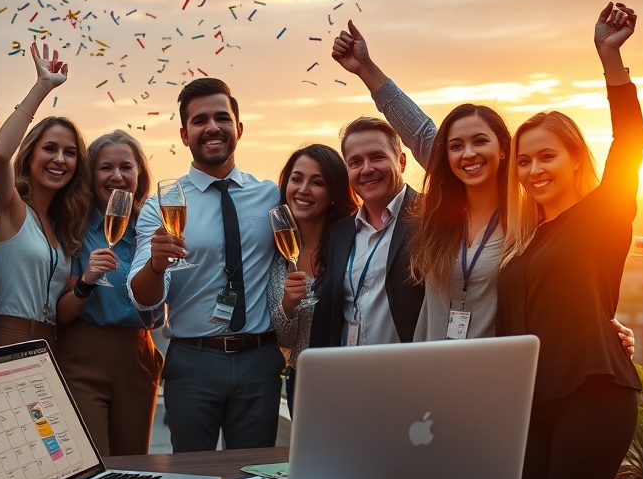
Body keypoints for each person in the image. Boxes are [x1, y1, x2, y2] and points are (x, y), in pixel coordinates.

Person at [331, 20, 637, 349]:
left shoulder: (531, 219)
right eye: (456, 146)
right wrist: (366, 69)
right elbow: (418, 130)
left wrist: (601, 327)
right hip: (428, 369)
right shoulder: (441, 214)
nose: (469, 154)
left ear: (504, 148)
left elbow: (572, 273)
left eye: (481, 141)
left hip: (496, 375)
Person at [496, 1, 643, 479]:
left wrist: (610, 59)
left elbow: (629, 143)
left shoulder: (601, 215)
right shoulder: (526, 237)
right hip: (532, 403)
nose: (533, 169)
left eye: (547, 156)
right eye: (524, 160)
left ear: (576, 157)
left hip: (592, 395)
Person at [129, 78, 284, 453]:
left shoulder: (272, 196)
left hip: (260, 359)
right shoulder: (161, 206)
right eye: (200, 121)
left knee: (253, 472)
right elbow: (142, 298)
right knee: (192, 476)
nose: (212, 127)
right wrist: (155, 265)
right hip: (193, 361)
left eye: (222, 118)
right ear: (185, 135)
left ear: (239, 128)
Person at [55, 130, 164, 456]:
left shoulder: (153, 226)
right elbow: (62, 312)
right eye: (105, 167)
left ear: (139, 175)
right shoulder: (73, 225)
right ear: (90, 175)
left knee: (134, 466)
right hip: (84, 356)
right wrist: (87, 279)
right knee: (94, 467)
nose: (117, 176)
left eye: (126, 167)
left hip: (139, 356)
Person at [0, 42, 90, 348]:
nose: (60, 159)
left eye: (69, 153)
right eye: (49, 148)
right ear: (30, 156)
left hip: (50, 344)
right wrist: (42, 87)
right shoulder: (9, 207)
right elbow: (0, 154)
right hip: (8, 337)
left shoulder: (62, 227)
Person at [307, 116, 427, 350]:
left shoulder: (430, 218)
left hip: (410, 372)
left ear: (401, 161)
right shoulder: (339, 234)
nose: (367, 169)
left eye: (377, 157)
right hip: (349, 373)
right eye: (355, 162)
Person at [268, 145, 358, 412]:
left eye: (317, 182)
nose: (303, 189)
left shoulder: (352, 242)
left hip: (352, 376)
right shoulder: (277, 254)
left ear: (333, 193)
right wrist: (288, 305)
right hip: (303, 379)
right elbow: (284, 339)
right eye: (297, 179)